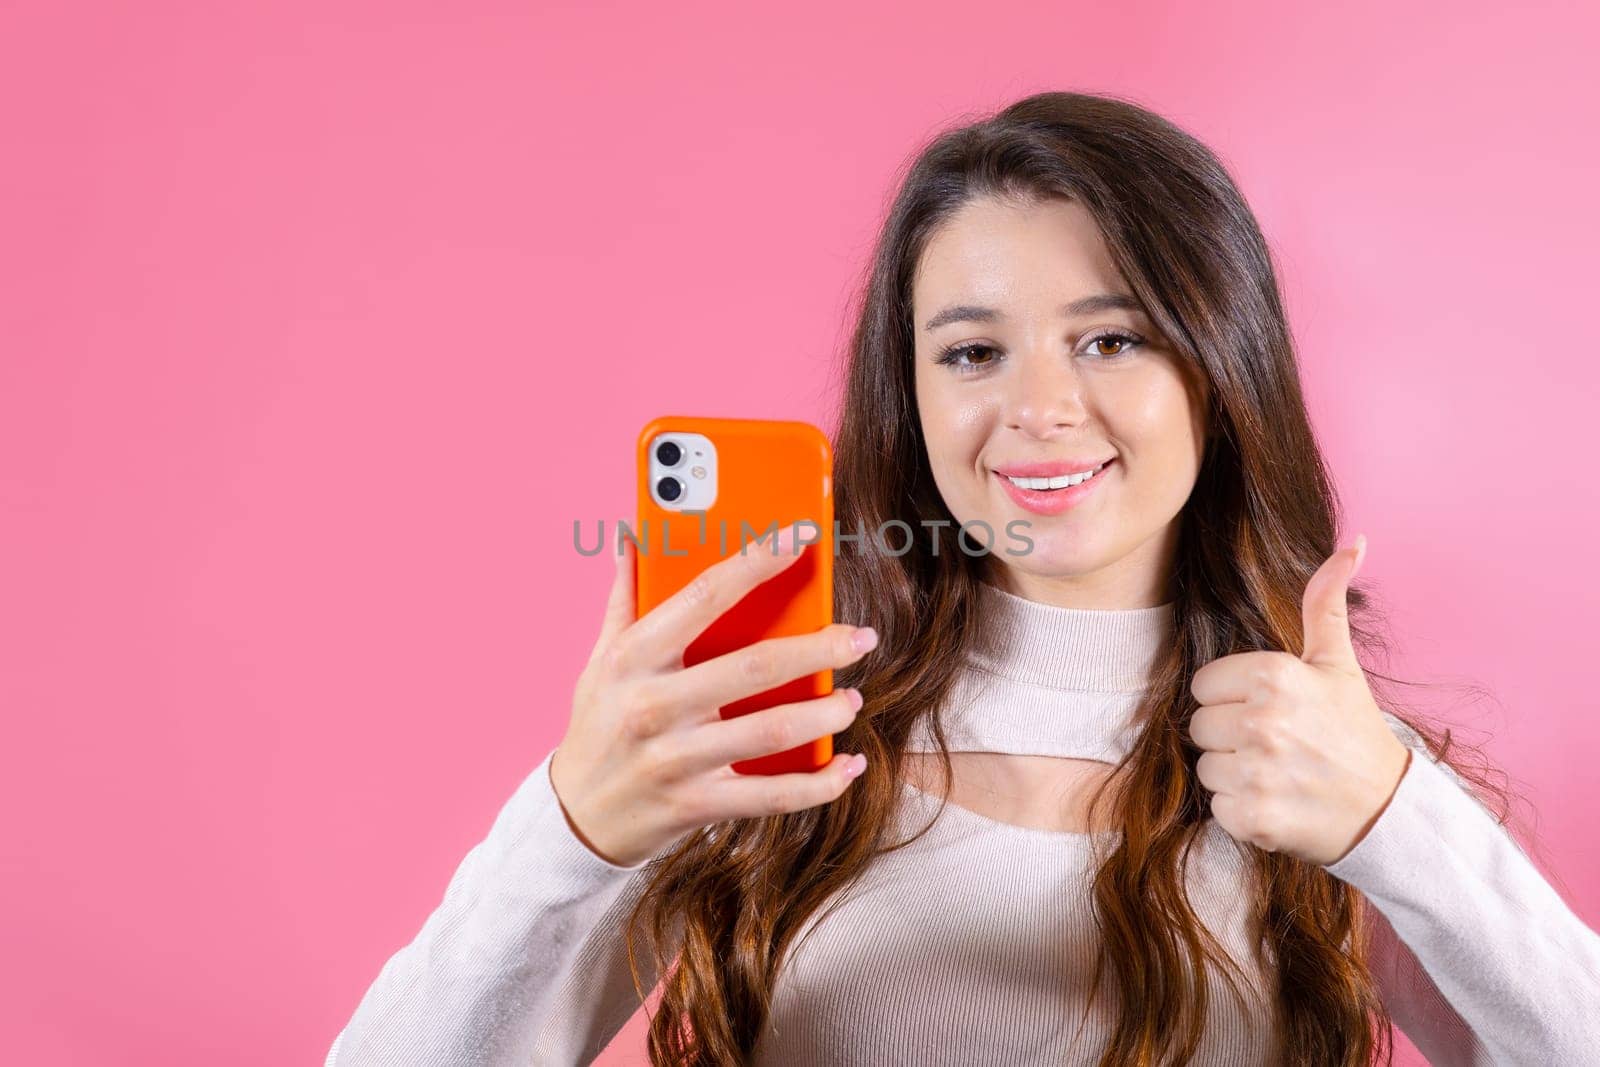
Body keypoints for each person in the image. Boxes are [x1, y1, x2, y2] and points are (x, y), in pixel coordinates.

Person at [326, 91, 1600, 1066]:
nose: (1038, 408)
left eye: (1111, 336)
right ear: (914, 394)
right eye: (972, 349)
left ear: (1221, 368)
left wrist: (1396, 817)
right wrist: (571, 827)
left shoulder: (1323, 765)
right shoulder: (767, 729)